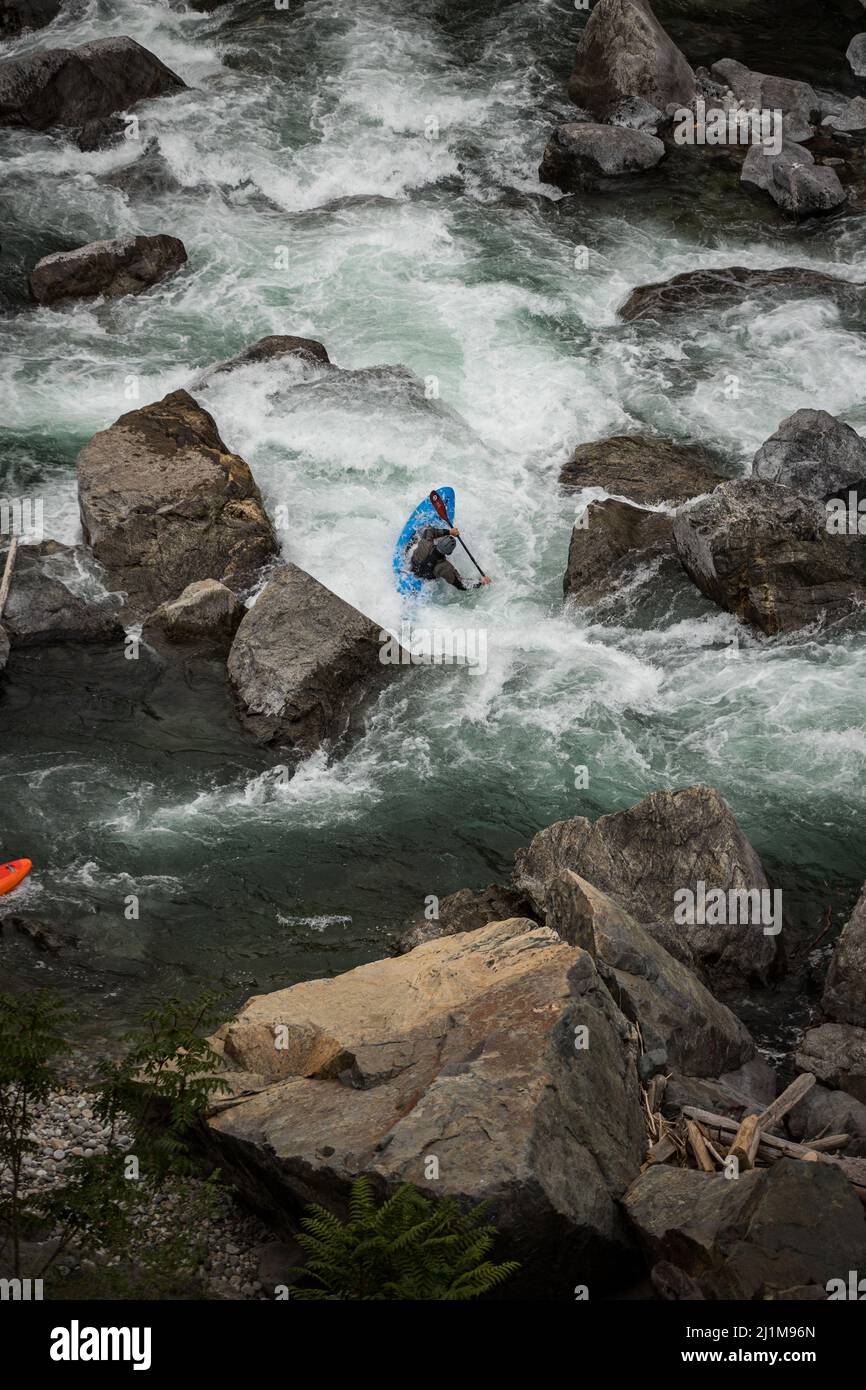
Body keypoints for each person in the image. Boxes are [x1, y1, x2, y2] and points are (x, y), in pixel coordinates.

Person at [407, 526, 491, 591]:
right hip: (425, 580)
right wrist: (481, 582)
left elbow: (428, 531)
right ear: (449, 553)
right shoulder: (446, 568)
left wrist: (449, 532)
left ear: (438, 542)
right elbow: (461, 585)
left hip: (411, 566)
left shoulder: (426, 542)